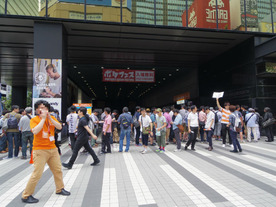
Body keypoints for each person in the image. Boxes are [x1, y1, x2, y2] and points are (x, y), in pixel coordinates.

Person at [22, 100, 70, 204]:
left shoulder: (51, 118)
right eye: (40, 107)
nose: (42, 109)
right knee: (37, 173)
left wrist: (49, 118)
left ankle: (60, 189)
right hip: (40, 150)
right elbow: (35, 131)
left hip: (52, 149)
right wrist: (43, 119)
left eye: (44, 108)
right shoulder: (34, 120)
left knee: (58, 170)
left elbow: (59, 127)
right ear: (36, 109)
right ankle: (26, 195)